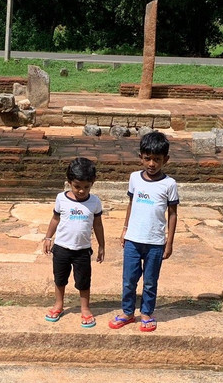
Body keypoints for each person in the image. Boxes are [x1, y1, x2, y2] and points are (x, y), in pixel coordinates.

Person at [110, 131, 178, 332]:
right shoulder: (134, 178)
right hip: (133, 239)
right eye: (147, 158)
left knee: (150, 281)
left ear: (166, 159)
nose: (151, 164)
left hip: (155, 242)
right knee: (129, 279)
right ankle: (128, 312)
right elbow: (132, 204)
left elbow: (172, 214)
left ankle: (147, 313)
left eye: (157, 159)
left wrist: (170, 241)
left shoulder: (169, 184)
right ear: (140, 157)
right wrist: (124, 228)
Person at [42, 157, 106, 327]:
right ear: (69, 182)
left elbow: (98, 224)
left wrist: (101, 245)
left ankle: (85, 308)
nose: (81, 191)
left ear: (93, 183)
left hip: (82, 250)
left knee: (84, 280)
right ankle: (58, 304)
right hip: (62, 248)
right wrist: (48, 237)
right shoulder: (61, 199)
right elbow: (55, 219)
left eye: (86, 187)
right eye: (77, 186)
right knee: (60, 278)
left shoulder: (94, 202)